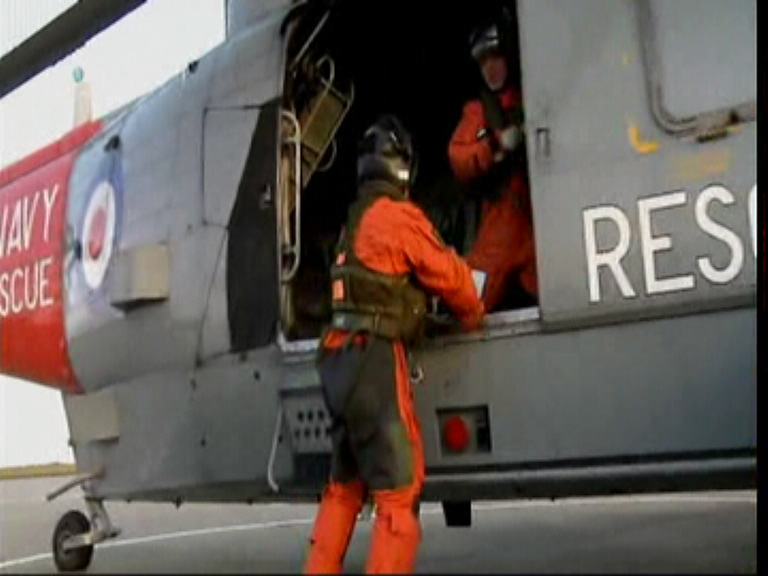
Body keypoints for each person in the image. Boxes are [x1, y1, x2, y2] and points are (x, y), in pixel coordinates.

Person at [303, 115, 485, 574]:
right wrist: (472, 315)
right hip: (373, 363)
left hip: (338, 361)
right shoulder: (396, 217)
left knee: (344, 488)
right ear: (402, 167)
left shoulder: (354, 221)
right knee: (399, 495)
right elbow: (456, 281)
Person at [448, 19, 538, 312]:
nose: (490, 68)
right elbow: (459, 157)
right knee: (470, 297)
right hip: (502, 216)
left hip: (540, 213)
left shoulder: (535, 94)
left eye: (495, 57)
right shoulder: (479, 111)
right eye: (483, 62)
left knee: (565, 292)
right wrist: (496, 146)